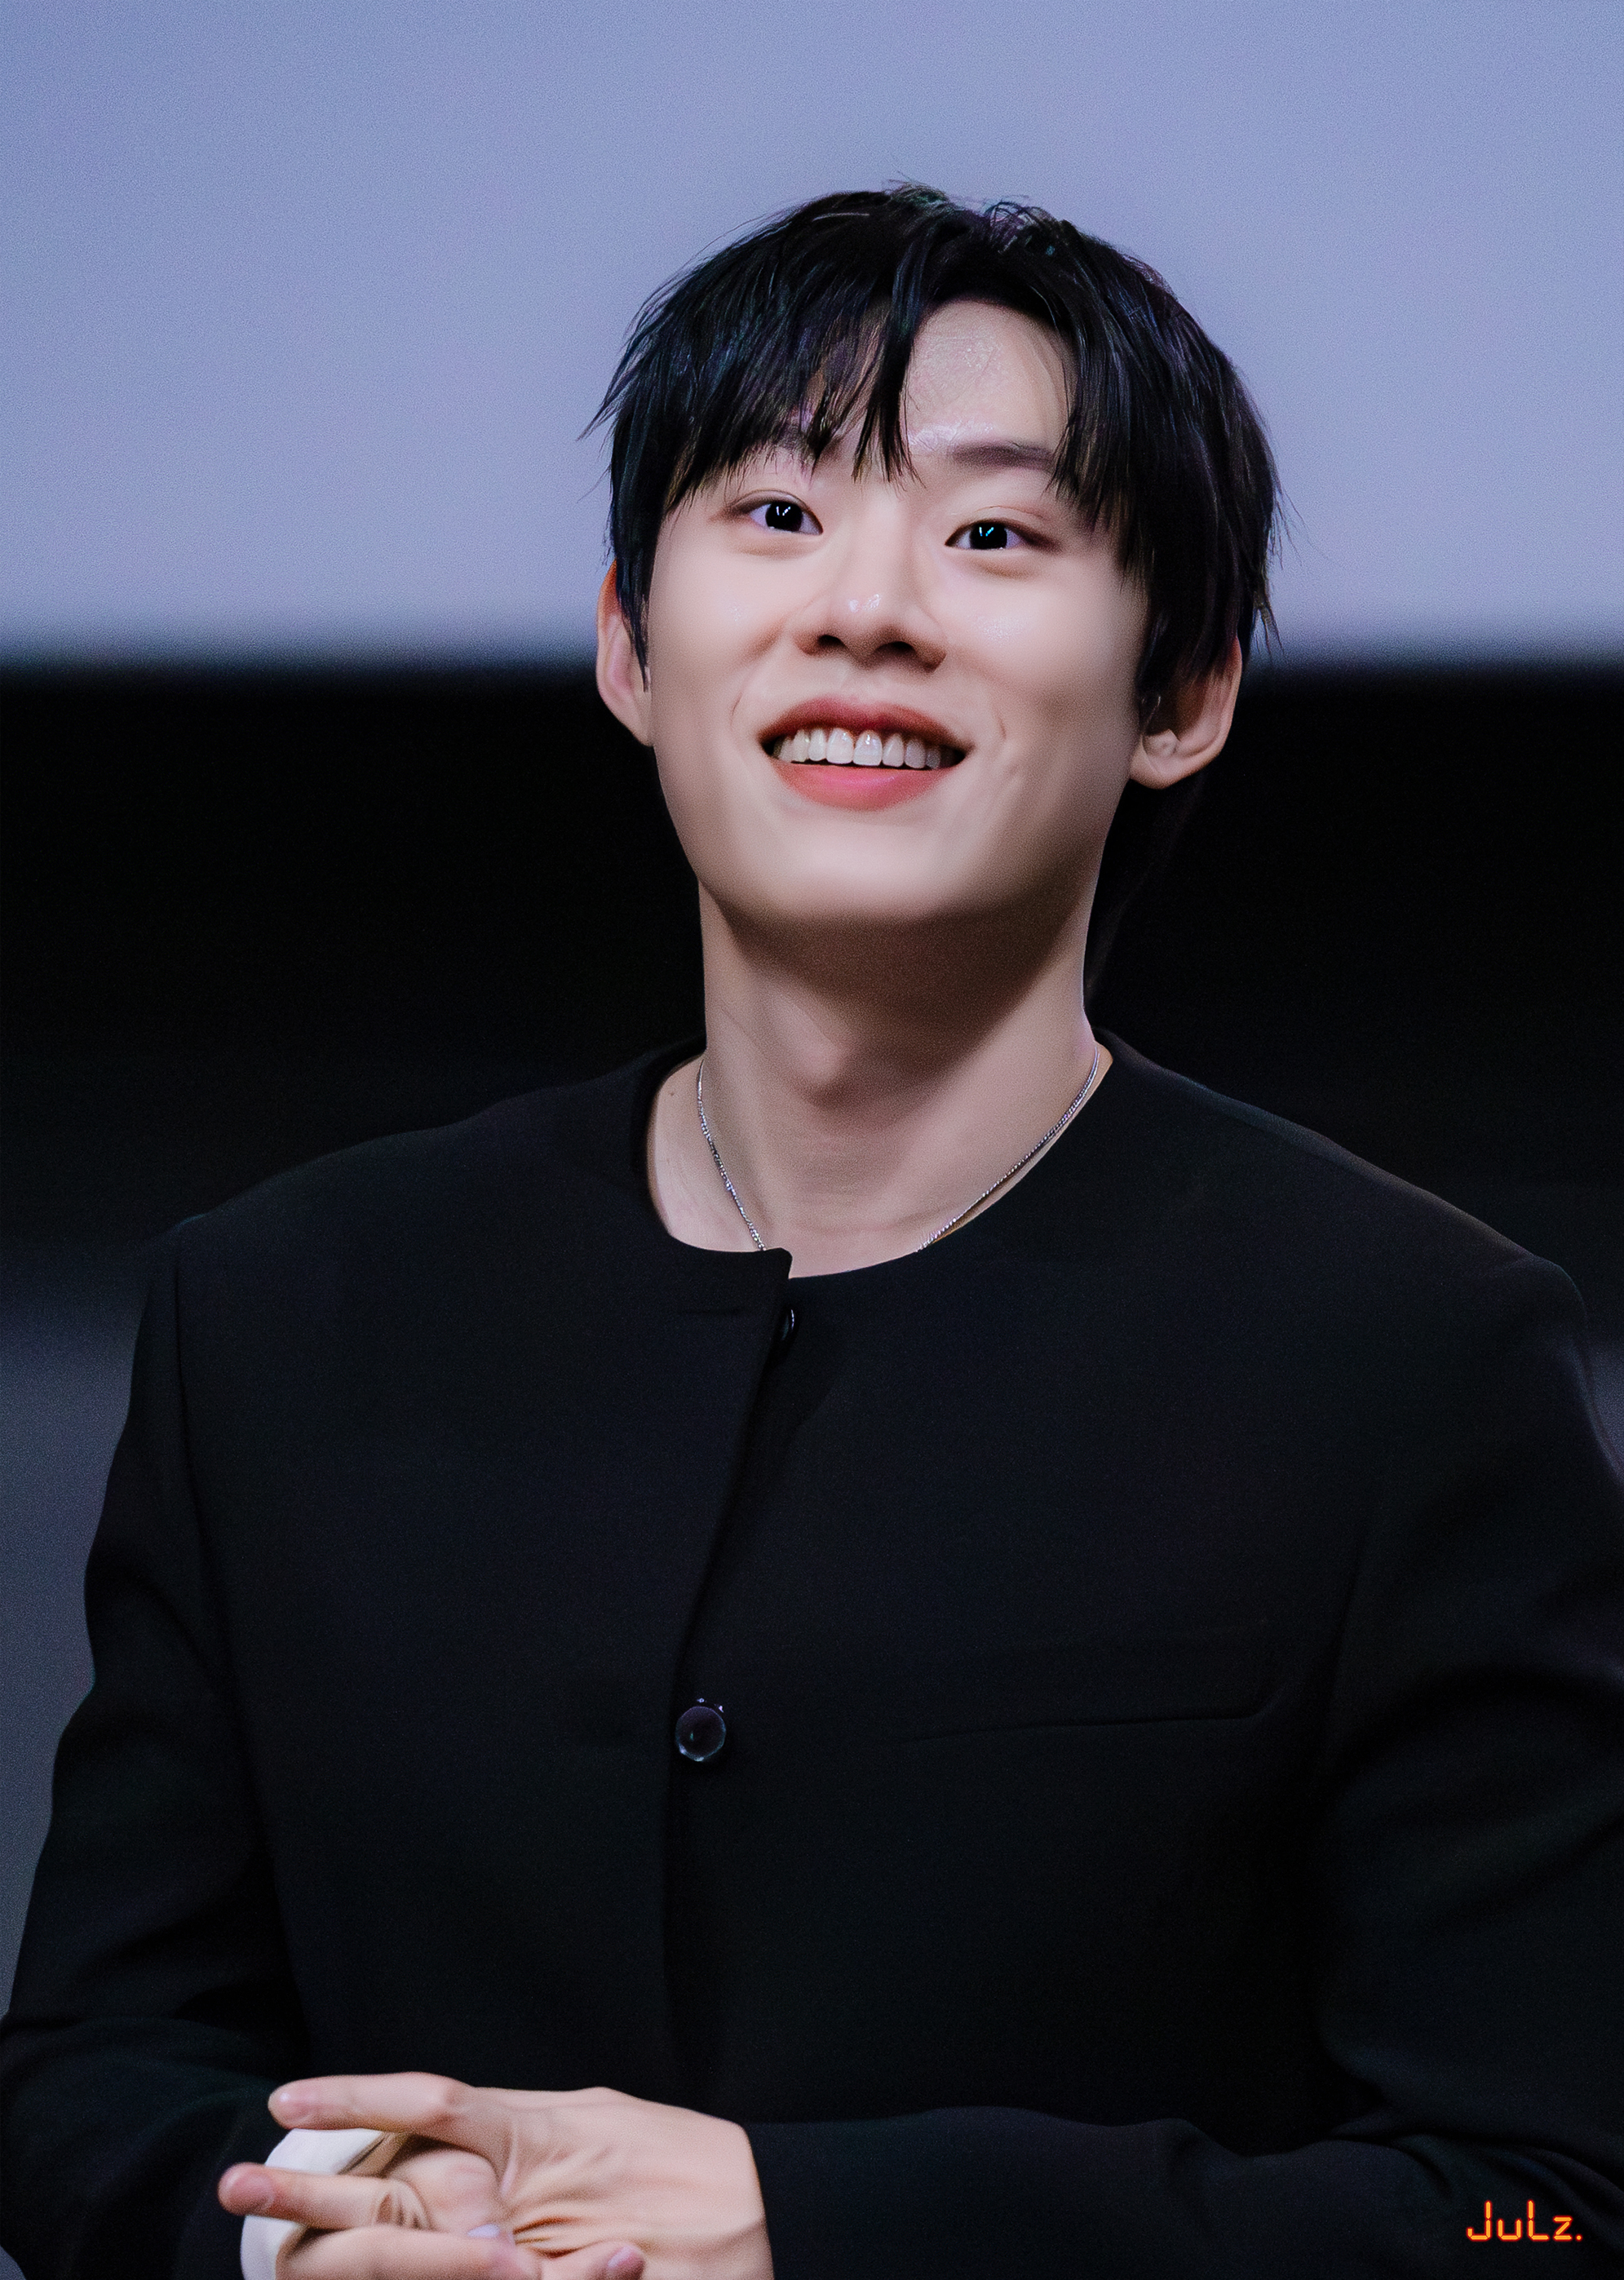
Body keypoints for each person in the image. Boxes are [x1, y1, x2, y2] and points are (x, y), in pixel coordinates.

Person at [2, 187, 1621, 2280]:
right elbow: (91, 2082)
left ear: (1186, 691)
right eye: (776, 513)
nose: (867, 608)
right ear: (628, 643)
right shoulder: (284, 1312)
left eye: (995, 534)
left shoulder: (1404, 1357)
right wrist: (315, 2229)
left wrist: (814, 2226)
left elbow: (1544, 2211)